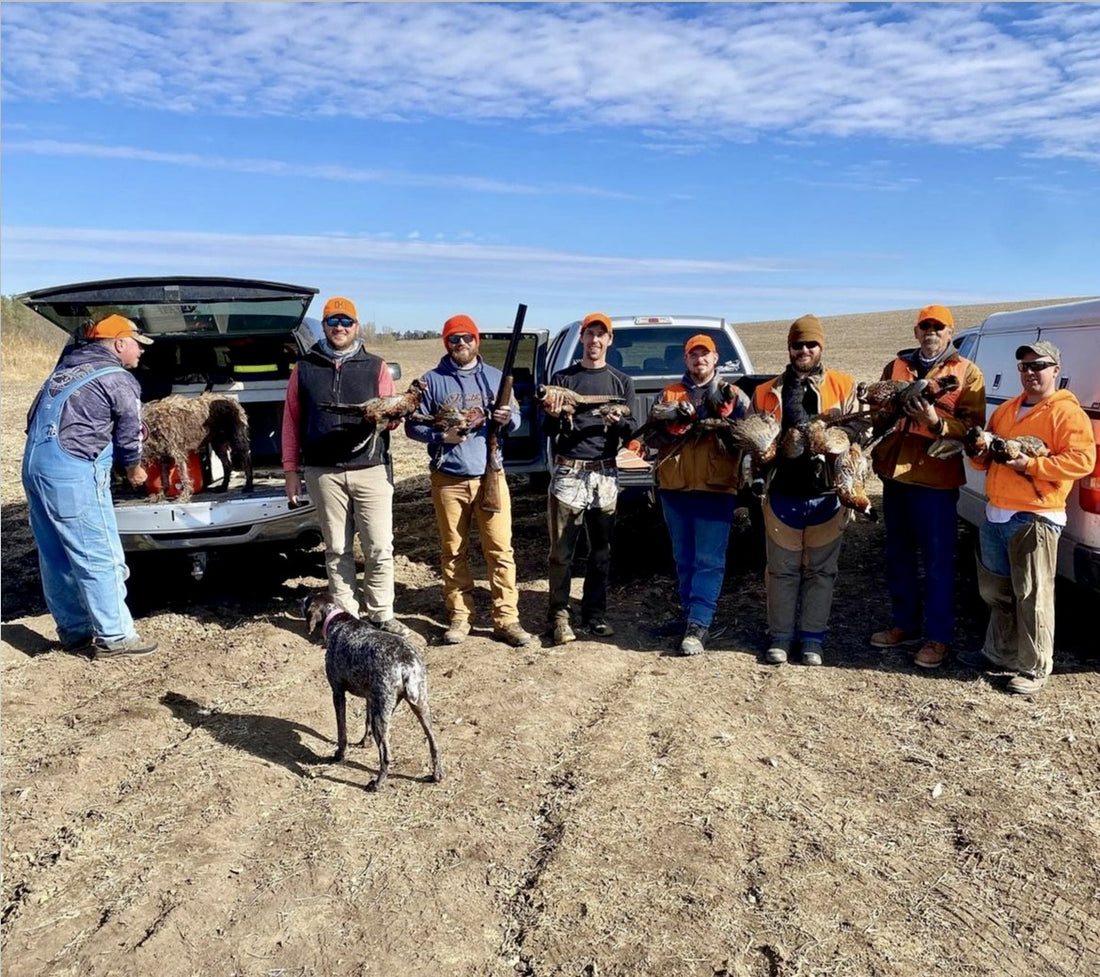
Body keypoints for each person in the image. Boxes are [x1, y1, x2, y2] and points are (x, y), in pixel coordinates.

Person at [21, 314, 158, 659]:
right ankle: (115, 636)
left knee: (55, 555)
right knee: (98, 552)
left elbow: (31, 420)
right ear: (119, 343)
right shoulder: (116, 377)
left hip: (36, 465)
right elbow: (129, 432)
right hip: (72, 471)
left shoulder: (63, 372)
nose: (141, 352)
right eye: (138, 345)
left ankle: (75, 632)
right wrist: (134, 469)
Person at [963, 341, 1094, 695]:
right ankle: (999, 653)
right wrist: (977, 451)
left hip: (1035, 516)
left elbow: (1083, 461)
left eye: (1039, 365)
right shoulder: (1006, 410)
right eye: (1024, 366)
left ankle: (1035, 667)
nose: (1031, 372)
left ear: (1056, 369)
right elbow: (984, 459)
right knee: (996, 590)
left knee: (1033, 594)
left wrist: (1030, 466)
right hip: (996, 514)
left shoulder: (1066, 413)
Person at [281, 296, 412, 638]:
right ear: (323, 326)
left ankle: (382, 613)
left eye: (346, 322)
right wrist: (291, 470)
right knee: (337, 548)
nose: (339, 327)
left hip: (371, 468)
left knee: (379, 546)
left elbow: (391, 416)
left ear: (356, 326)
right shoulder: (305, 367)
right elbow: (292, 421)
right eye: (332, 321)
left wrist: (388, 417)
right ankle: (345, 617)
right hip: (323, 471)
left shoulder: (376, 366)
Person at [404, 314, 532, 648]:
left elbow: (516, 417)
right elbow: (411, 426)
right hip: (448, 479)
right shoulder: (431, 381)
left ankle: (506, 619)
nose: (461, 344)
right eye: (454, 339)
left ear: (477, 341)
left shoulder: (495, 378)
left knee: (500, 550)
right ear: (446, 343)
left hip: (491, 475)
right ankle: (460, 615)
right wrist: (440, 436)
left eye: (467, 338)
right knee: (453, 550)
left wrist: (507, 418)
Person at [869, 304, 986, 668]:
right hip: (896, 476)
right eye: (925, 327)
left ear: (950, 332)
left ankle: (938, 637)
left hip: (936, 479)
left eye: (939, 327)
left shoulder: (968, 372)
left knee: (938, 562)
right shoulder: (896, 366)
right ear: (916, 332)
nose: (931, 332)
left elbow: (973, 428)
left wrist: (936, 422)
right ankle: (905, 624)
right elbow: (878, 412)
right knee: (898, 556)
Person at [752, 314, 858, 667]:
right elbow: (753, 442)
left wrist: (837, 441)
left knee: (821, 572)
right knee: (781, 570)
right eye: (798, 344)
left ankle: (812, 638)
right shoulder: (767, 391)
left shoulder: (844, 385)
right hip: (783, 492)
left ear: (821, 347)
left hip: (828, 494)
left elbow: (861, 428)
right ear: (789, 347)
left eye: (811, 344)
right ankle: (780, 638)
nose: (804, 350)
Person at [646, 334, 751, 656]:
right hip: (675, 487)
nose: (699, 360)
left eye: (705, 355)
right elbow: (650, 437)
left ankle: (700, 623)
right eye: (694, 355)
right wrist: (670, 427)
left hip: (715, 488)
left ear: (716, 359)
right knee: (683, 558)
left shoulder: (734, 395)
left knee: (708, 560)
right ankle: (690, 614)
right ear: (686, 359)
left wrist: (727, 419)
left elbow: (753, 440)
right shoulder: (669, 394)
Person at [542, 312, 636, 645]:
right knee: (561, 553)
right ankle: (559, 617)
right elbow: (549, 432)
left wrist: (617, 422)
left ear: (609, 340)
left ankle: (595, 614)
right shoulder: (562, 379)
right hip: (570, 472)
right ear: (582, 338)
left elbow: (631, 430)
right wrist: (554, 415)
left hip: (606, 473)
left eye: (601, 335)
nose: (595, 340)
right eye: (590, 334)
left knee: (601, 552)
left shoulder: (621, 382)